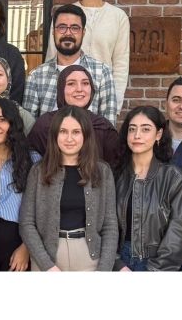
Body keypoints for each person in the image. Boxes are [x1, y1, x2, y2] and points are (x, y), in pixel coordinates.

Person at [19, 105, 118, 271]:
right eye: (63, 131)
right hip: (47, 257)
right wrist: (47, 265)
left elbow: (110, 225)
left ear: (86, 135)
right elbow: (27, 223)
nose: (69, 138)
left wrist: (104, 269)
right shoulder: (39, 171)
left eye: (76, 132)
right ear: (54, 135)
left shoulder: (102, 171)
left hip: (89, 256)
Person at [46, 0, 130, 112]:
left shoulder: (118, 17)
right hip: (67, 95)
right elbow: (52, 57)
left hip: (102, 95)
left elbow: (120, 64)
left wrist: (115, 104)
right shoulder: (64, 15)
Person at [114, 105, 182, 271]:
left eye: (145, 129)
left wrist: (155, 270)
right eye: (132, 129)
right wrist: (117, 264)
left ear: (158, 134)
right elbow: (104, 226)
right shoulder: (115, 175)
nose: (137, 135)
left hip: (158, 263)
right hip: (119, 262)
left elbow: (178, 234)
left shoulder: (174, 178)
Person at [23, 3, 117, 123]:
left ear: (83, 32)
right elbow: (30, 128)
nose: (68, 33)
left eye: (75, 28)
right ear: (53, 32)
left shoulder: (102, 73)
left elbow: (108, 126)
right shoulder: (36, 76)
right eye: (62, 27)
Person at [0, 99, 40, 271]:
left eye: (2, 120)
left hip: (17, 244)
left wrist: (26, 248)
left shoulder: (33, 161)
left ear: (13, 123)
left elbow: (42, 209)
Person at [28, 65, 119, 168]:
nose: (79, 89)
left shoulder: (103, 126)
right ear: (61, 88)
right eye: (71, 83)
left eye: (85, 83)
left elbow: (114, 167)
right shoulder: (45, 125)